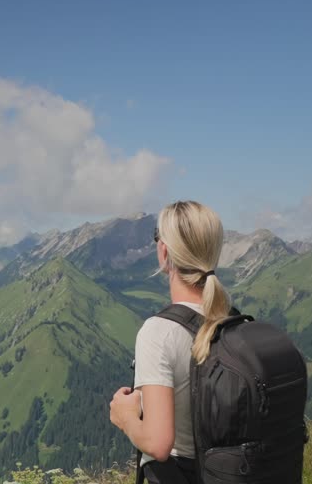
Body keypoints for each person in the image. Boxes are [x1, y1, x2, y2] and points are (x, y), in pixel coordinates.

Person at [109, 200, 229, 484]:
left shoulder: (159, 332)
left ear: (164, 252)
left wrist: (124, 417)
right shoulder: (234, 322)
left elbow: (158, 444)